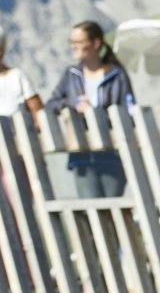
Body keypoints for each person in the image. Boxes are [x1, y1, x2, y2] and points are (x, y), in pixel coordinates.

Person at [43, 19, 138, 198]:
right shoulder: (71, 75)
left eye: (79, 42)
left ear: (95, 43)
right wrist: (72, 105)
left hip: (112, 153)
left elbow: (128, 108)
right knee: (90, 206)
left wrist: (96, 112)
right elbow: (52, 103)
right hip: (82, 155)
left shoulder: (117, 75)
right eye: (72, 42)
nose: (74, 46)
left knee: (113, 204)